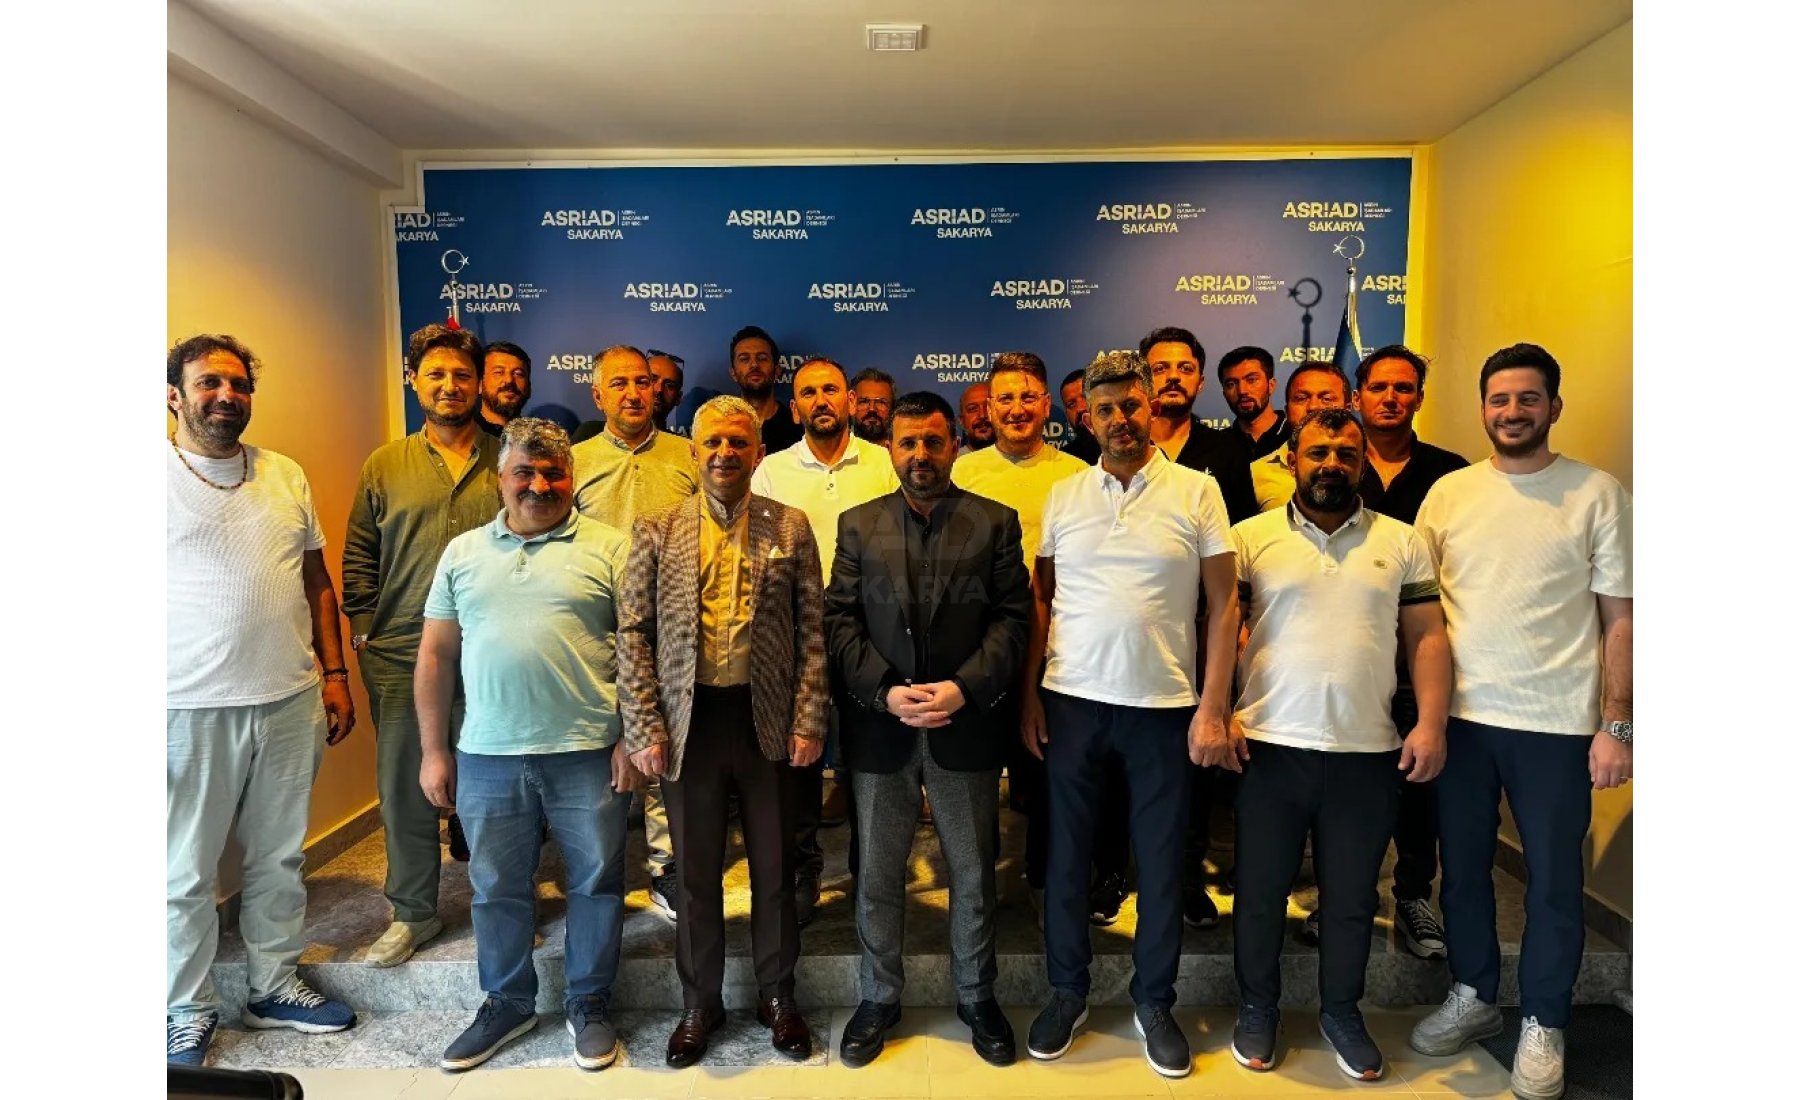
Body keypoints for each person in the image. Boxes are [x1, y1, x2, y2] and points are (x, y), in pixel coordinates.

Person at [1408, 343, 1632, 1100]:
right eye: (1499, 399)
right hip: (1462, 720)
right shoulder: (1449, 495)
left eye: (1528, 398)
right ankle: (1473, 993)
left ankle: (1544, 1020)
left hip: (1557, 726)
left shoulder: (1597, 494)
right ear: (1483, 408)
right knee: (1463, 871)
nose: (1512, 412)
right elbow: (1421, 612)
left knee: (1555, 884)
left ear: (1553, 407)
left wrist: (1618, 726)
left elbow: (1622, 620)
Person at [1022, 350, 1239, 1080]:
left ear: (1152, 406)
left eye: (1131, 405)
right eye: (1105, 408)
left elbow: (1225, 603)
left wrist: (1214, 706)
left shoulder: (1198, 490)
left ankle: (1155, 1002)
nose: (1120, 419)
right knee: (1067, 858)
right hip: (1072, 701)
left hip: (1164, 708)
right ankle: (1067, 992)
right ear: (1086, 416)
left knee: (1163, 862)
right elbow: (1043, 598)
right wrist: (1031, 694)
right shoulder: (1063, 494)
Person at [1226, 407, 1451, 1082]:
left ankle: (1342, 1012)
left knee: (1351, 901)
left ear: (1362, 463)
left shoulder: (1403, 541)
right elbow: (1221, 632)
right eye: (1317, 452)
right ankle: (1257, 1008)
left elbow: (1427, 637)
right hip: (1268, 745)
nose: (1331, 464)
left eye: (1345, 455)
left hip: (1367, 751)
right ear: (1292, 460)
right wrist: (1221, 710)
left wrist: (1431, 723)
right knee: (1260, 894)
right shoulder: (1249, 538)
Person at [416, 418, 637, 1072]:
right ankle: (507, 1002)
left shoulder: (612, 547)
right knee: (495, 886)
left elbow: (641, 650)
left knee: (596, 883)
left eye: (553, 474)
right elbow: (435, 656)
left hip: (588, 751)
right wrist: (434, 751)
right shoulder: (462, 553)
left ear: (571, 478)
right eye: (524, 472)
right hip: (487, 754)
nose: (539, 485)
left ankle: (589, 1002)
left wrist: (632, 735)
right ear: (501, 478)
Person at [616, 395, 829, 1068]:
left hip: (767, 719)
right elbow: (633, 633)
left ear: (758, 452)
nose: (724, 453)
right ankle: (699, 1003)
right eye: (712, 442)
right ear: (693, 451)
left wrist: (809, 717)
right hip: (689, 725)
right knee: (696, 874)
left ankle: (778, 997)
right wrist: (644, 724)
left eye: (738, 442)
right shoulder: (657, 527)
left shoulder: (789, 524)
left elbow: (812, 629)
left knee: (775, 870)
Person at [166, 334, 358, 1066]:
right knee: (184, 872)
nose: (227, 396)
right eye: (209, 383)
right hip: (186, 705)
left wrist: (334, 674)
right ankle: (185, 1009)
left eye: (240, 385)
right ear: (175, 396)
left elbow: (316, 582)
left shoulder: (284, 473)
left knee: (278, 859)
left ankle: (273, 986)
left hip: (287, 698)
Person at [826, 391, 1033, 1068]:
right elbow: (839, 620)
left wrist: (964, 688)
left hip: (963, 724)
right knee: (877, 874)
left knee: (972, 873)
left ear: (955, 445)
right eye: (908, 442)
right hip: (880, 727)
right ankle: (877, 996)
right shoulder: (858, 524)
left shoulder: (994, 522)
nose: (920, 454)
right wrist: (885, 691)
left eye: (933, 441)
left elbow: (1013, 619)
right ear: (890, 448)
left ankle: (977, 995)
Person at [1086, 328, 1257, 929]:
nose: (1171, 378)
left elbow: (1234, 556)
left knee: (1190, 774)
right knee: (1111, 775)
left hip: (1198, 638)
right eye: (1161, 367)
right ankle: (1110, 873)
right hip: (1118, 650)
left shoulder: (1223, 453)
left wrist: (1230, 639)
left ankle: (1185, 877)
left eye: (1183, 368)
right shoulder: (1097, 459)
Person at [344, 323, 502, 967]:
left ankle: (502, 909)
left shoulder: (508, 456)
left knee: (495, 794)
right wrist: (365, 628)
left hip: (495, 653)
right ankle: (413, 913)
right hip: (402, 652)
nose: (450, 385)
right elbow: (359, 552)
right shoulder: (385, 464)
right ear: (414, 381)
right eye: (436, 373)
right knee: (408, 790)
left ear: (480, 383)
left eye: (462, 374)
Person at [751, 357, 900, 923]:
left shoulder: (884, 464)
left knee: (871, 764)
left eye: (831, 390)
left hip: (874, 635)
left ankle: (871, 874)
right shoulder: (772, 471)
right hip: (798, 636)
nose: (821, 400)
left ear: (850, 401)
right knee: (800, 762)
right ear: (795, 409)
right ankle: (803, 870)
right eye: (809, 393)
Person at [949, 353, 1087, 924]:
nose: (1016, 409)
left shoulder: (1078, 474)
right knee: (975, 777)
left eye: (1028, 397)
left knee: (1049, 774)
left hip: (1058, 648)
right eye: (1004, 398)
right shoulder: (962, 473)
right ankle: (975, 884)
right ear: (988, 407)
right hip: (978, 649)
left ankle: (1043, 879)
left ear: (1046, 405)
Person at [571, 344, 700, 916]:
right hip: (594, 627)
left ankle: (666, 867)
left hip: (671, 628)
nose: (633, 393)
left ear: (657, 391)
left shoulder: (687, 455)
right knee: (600, 748)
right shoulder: (573, 460)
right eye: (619, 384)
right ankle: (596, 872)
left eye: (642, 382)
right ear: (598, 395)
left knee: (663, 746)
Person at [1352, 345, 1470, 959]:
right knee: (1350, 789)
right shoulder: (1337, 462)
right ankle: (1344, 896)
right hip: (1350, 657)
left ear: (1419, 398)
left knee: (1420, 784)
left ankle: (1414, 897)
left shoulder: (1451, 476)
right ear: (1358, 396)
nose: (1391, 398)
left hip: (1419, 659)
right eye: (1379, 388)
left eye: (1403, 388)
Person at [1252, 364, 1350, 514]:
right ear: (1287, 410)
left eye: (1327, 399)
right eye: (1301, 398)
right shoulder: (1256, 473)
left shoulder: (1365, 470)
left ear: (1347, 409)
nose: (1313, 407)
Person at [729, 324, 805, 453]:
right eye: (744, 359)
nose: (754, 365)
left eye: (762, 358)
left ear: (777, 370)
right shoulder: (721, 424)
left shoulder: (798, 427)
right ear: (733, 373)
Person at [1218, 345, 1288, 459]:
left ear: (1271, 385)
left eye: (1251, 380)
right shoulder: (1217, 446)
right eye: (1231, 384)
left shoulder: (1297, 437)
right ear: (1224, 393)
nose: (1242, 391)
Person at [476, 341, 531, 437]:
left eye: (518, 374)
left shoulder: (538, 439)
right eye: (499, 372)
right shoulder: (461, 436)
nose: (509, 380)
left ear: (529, 386)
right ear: (479, 383)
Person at [1058, 368, 1101, 463]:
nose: (1080, 408)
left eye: (1085, 397)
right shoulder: (1064, 461)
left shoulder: (1126, 446)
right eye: (1071, 404)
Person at [850, 367, 896, 444]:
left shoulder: (902, 451)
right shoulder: (839, 451)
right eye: (864, 402)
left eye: (881, 402)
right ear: (851, 405)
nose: (872, 409)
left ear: (893, 408)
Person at [647, 348, 686, 434]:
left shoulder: (680, 442)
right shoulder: (615, 439)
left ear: (678, 398)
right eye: (652, 379)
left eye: (670, 386)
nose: (659, 389)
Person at [959, 380, 996, 450]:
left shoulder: (1017, 455)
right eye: (972, 408)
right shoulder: (953, 457)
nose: (982, 415)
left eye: (988, 406)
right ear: (962, 421)